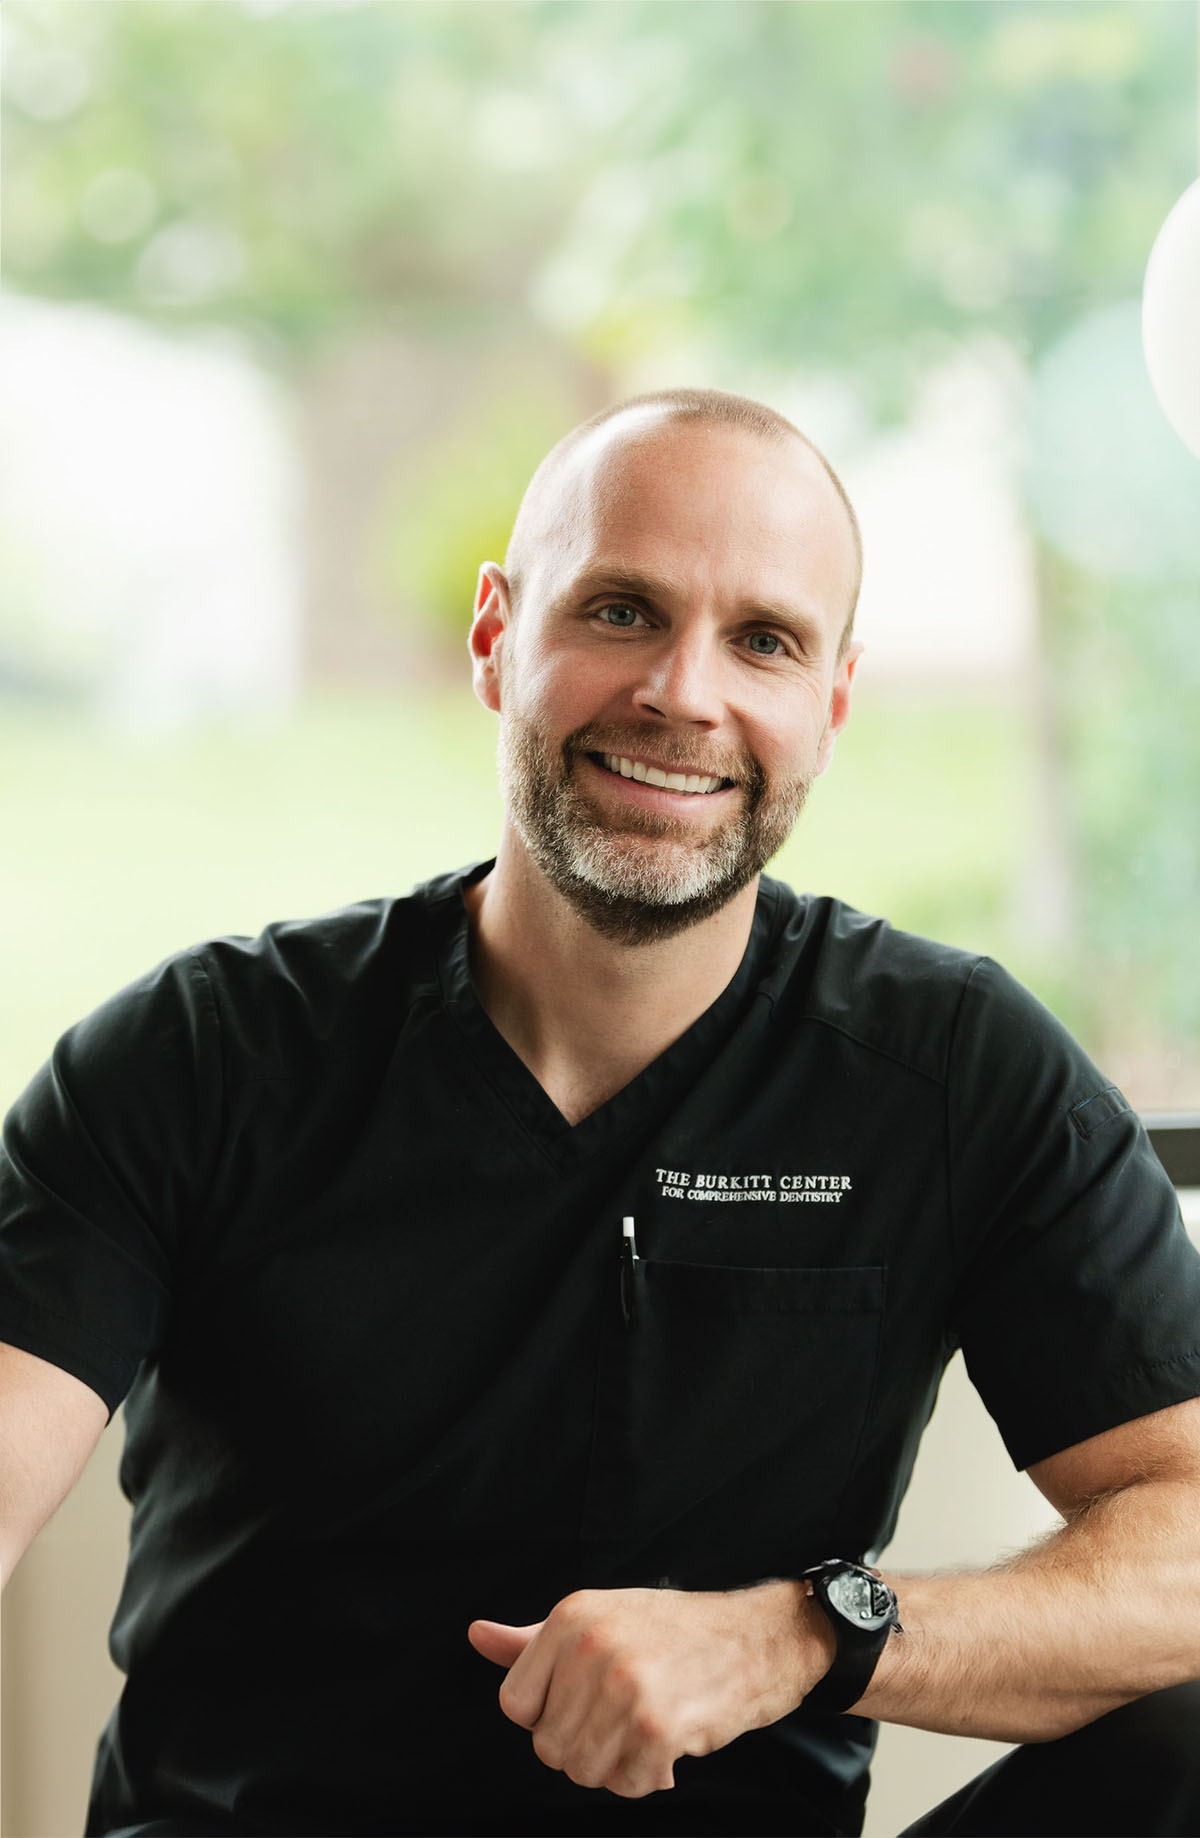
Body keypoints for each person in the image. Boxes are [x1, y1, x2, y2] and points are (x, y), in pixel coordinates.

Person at [2, 386, 1199, 1838]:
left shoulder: (956, 1072)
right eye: (622, 611)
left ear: (832, 702)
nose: (684, 693)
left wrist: (800, 1634)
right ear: (498, 636)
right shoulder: (199, 1057)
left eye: (764, 640)